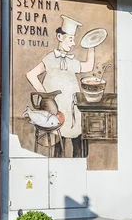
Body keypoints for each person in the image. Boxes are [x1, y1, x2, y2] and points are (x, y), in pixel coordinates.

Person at [26, 15, 95, 157]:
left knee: (78, 142)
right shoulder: (50, 58)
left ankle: (78, 169)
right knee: (58, 146)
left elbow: (88, 66)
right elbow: (31, 75)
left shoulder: (72, 61)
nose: (73, 43)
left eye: (74, 39)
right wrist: (45, 96)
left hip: (72, 110)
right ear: (59, 36)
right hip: (56, 110)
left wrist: (91, 46)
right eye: (70, 39)